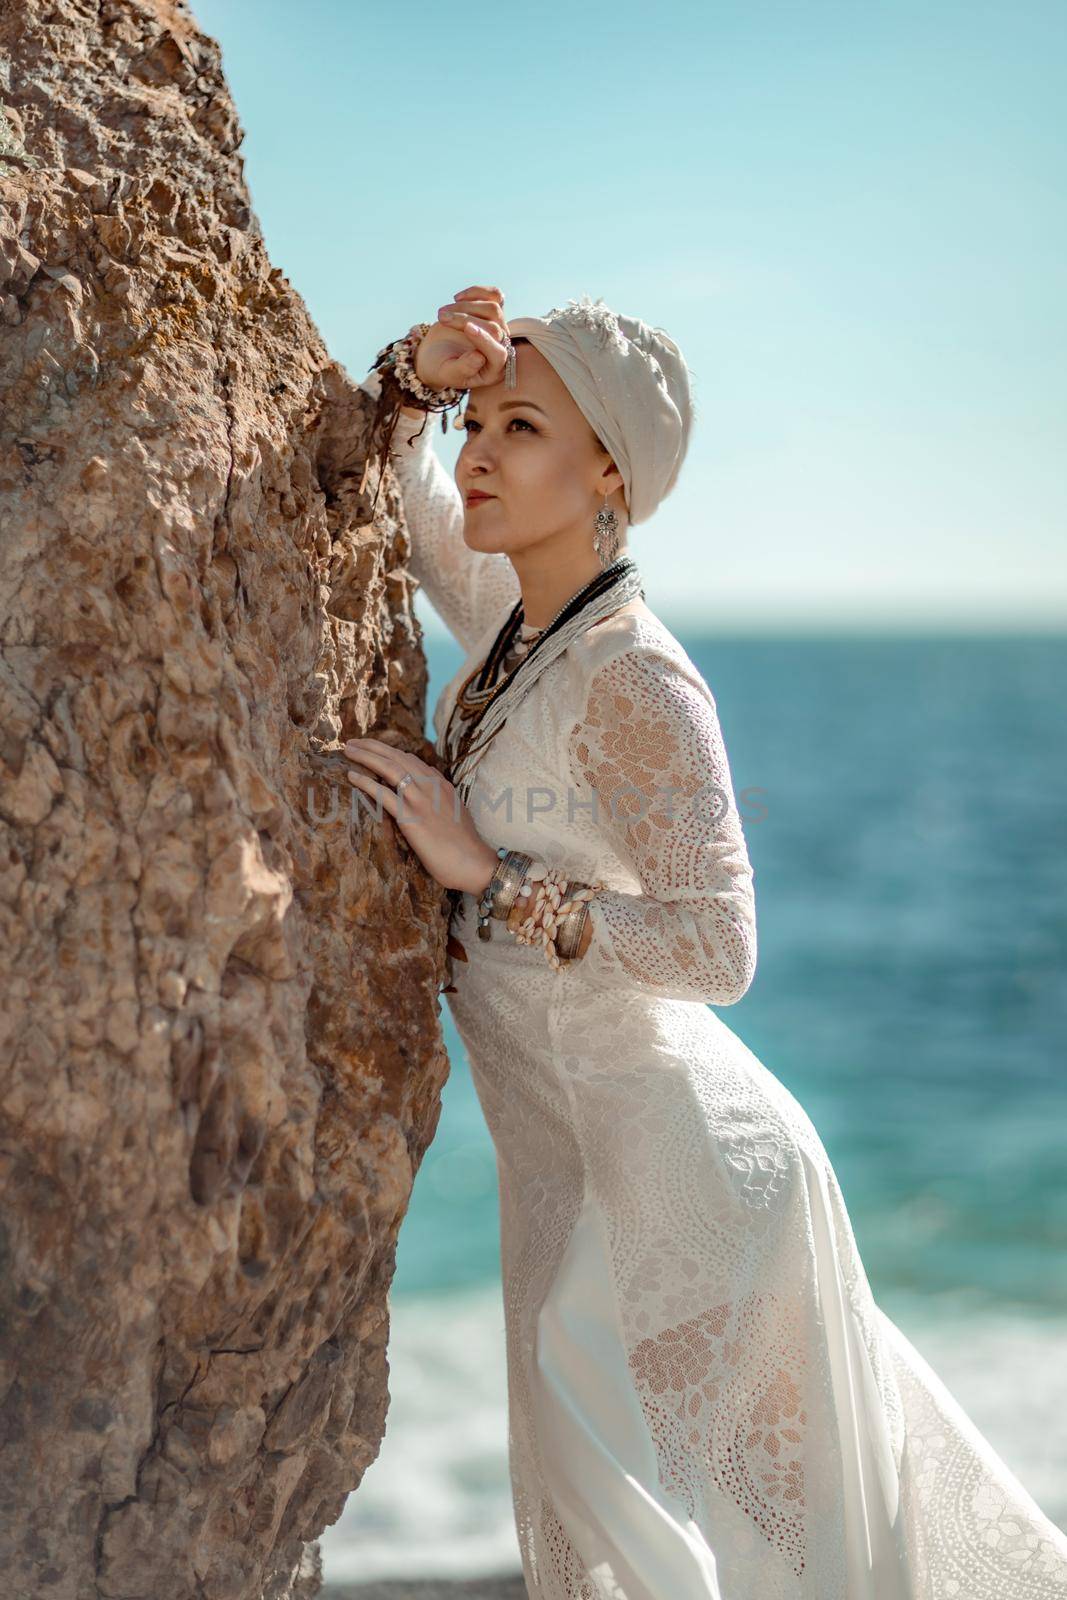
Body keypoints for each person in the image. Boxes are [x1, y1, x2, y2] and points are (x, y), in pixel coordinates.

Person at [351, 287, 1067, 1599]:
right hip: (565, 1154)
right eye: (478, 422)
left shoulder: (634, 672)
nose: (478, 454)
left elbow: (719, 949)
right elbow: (401, 491)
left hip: (676, 1168)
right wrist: (418, 367)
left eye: (520, 427)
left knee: (715, 1546)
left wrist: (486, 875)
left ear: (609, 473)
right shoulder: (518, 625)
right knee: (593, 1536)